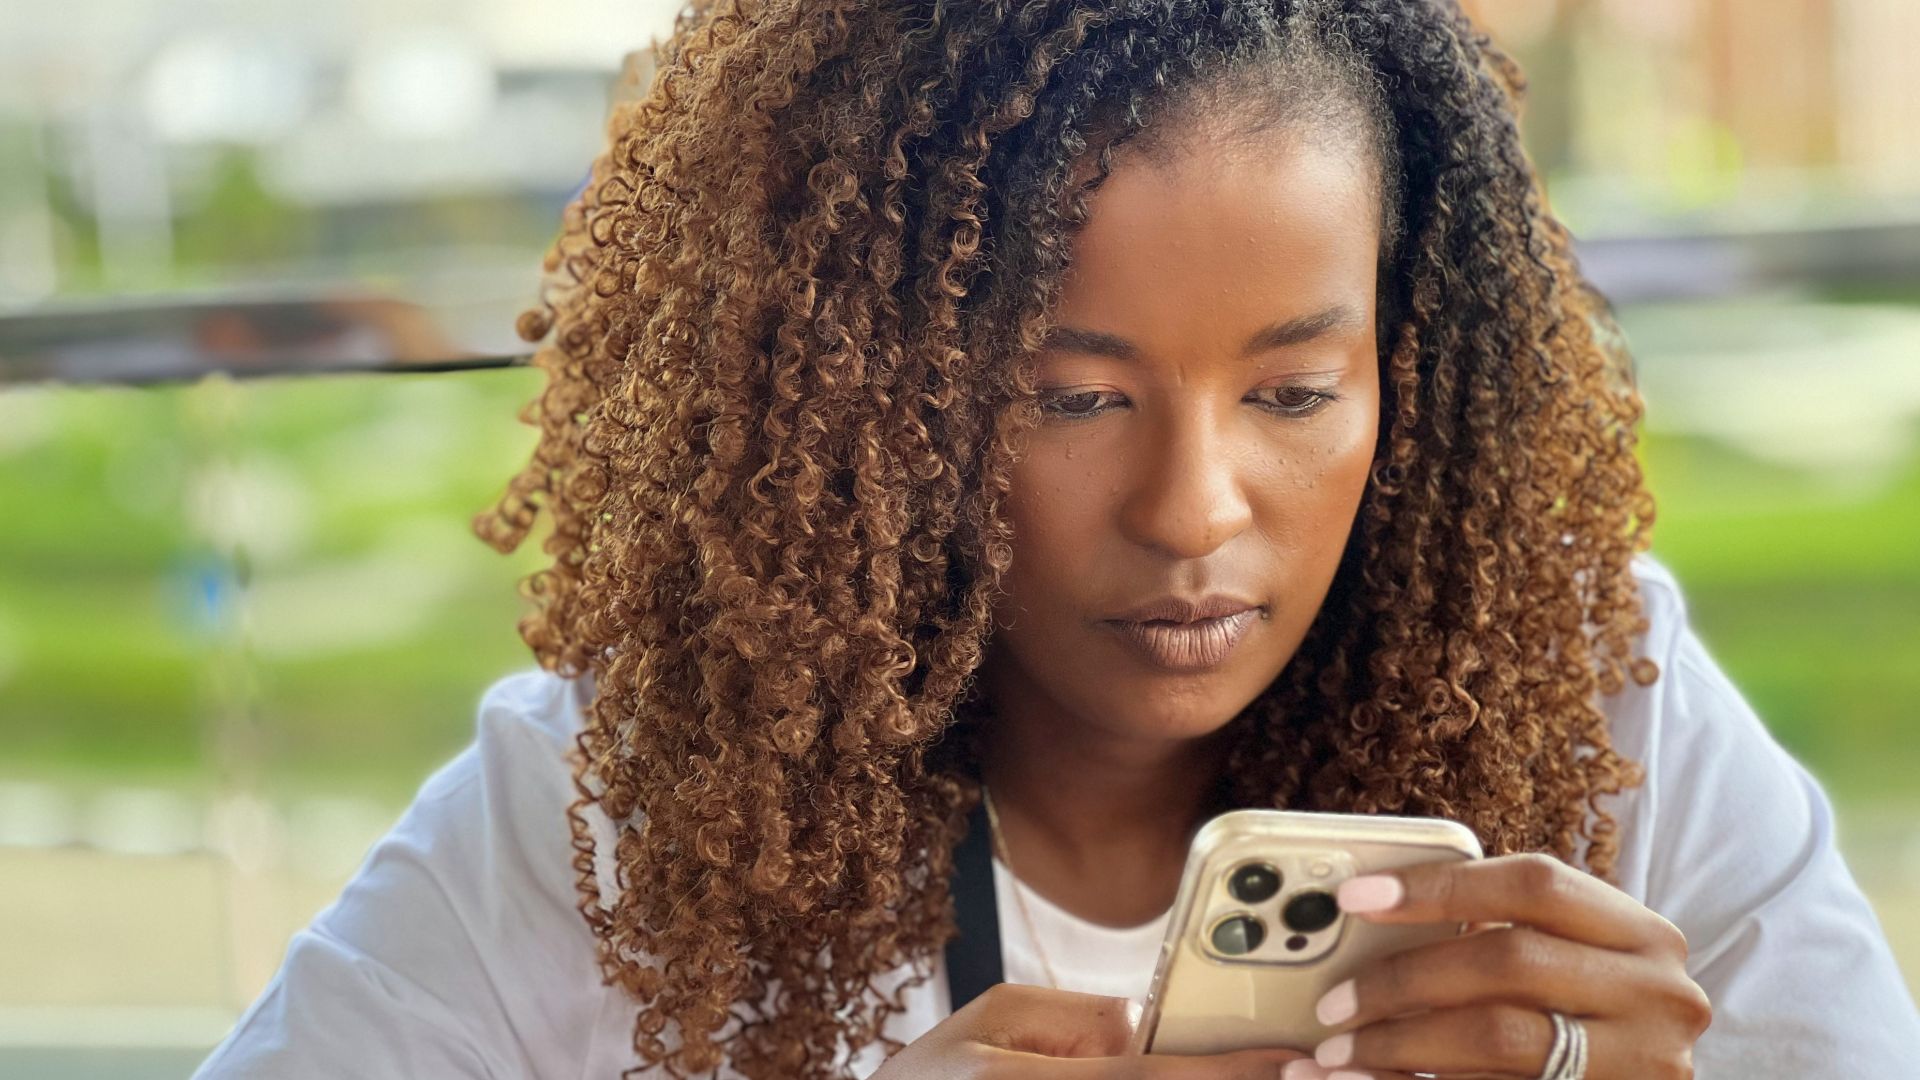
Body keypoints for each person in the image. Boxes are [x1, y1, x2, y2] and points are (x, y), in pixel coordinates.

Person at [192, 1, 1920, 1077]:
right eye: (1070, 399)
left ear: (1409, 377)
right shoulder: (606, 813)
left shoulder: (1603, 702)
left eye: (1297, 394)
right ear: (870, 400)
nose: (1191, 512)